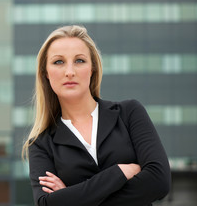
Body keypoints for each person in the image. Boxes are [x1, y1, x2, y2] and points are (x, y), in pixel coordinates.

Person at [22, 25, 171, 206]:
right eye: (59, 62)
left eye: (79, 61)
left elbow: (159, 181)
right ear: (45, 73)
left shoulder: (129, 113)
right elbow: (46, 204)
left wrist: (72, 197)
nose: (70, 71)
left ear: (92, 68)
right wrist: (117, 173)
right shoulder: (41, 143)